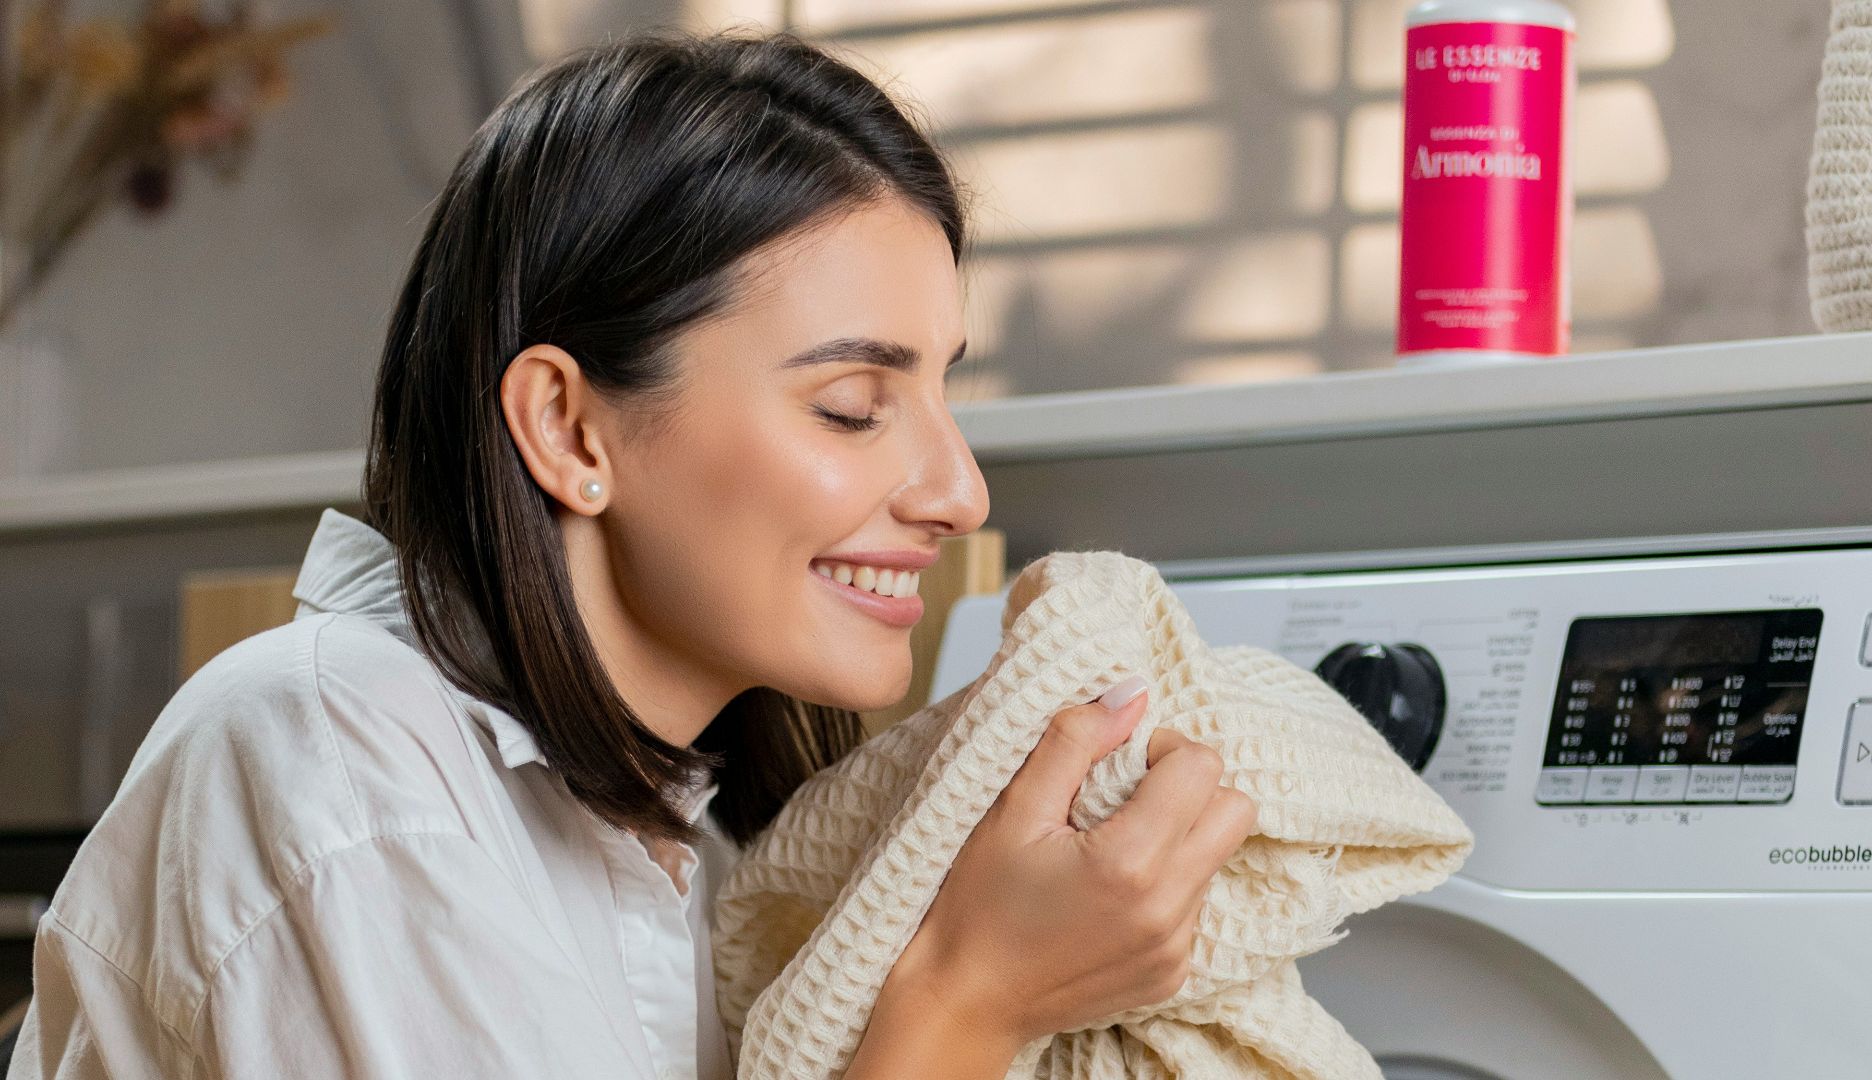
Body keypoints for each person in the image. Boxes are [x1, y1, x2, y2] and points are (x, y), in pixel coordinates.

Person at [6, 28, 1255, 1080]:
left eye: (943, 396)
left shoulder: (692, 851)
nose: (958, 492)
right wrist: (970, 1004)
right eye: (852, 408)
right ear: (567, 426)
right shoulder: (337, 759)